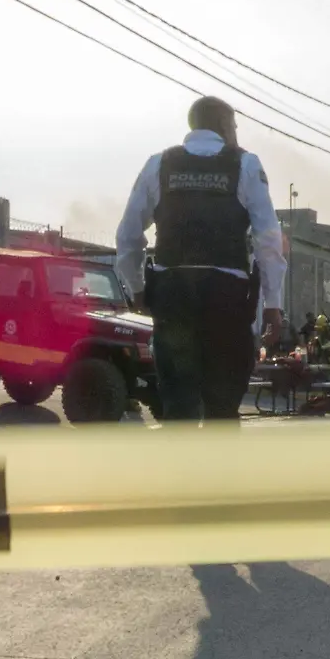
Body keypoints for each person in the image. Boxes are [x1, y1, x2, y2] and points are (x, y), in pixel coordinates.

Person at [115, 96, 285, 422]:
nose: (235, 133)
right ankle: (220, 471)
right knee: (222, 406)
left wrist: (137, 289)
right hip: (227, 298)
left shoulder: (158, 165)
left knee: (178, 403)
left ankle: (183, 470)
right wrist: (273, 303)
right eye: (234, 126)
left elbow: (127, 236)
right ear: (222, 125)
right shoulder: (246, 164)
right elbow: (268, 240)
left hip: (172, 295)